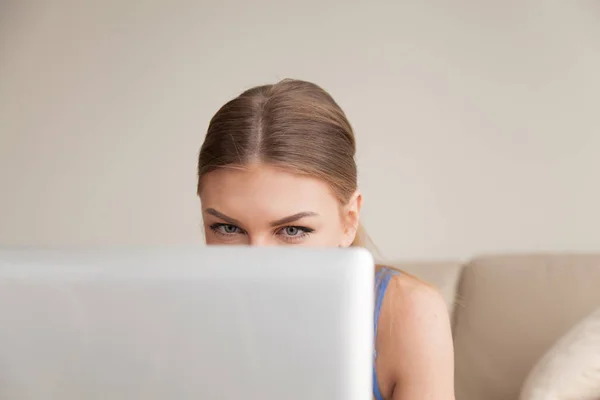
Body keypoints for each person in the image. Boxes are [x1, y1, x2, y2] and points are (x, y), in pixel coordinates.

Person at [196, 79, 455, 400]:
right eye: (228, 228)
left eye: (292, 230)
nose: (256, 264)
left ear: (349, 221)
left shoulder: (405, 315)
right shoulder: (176, 316)